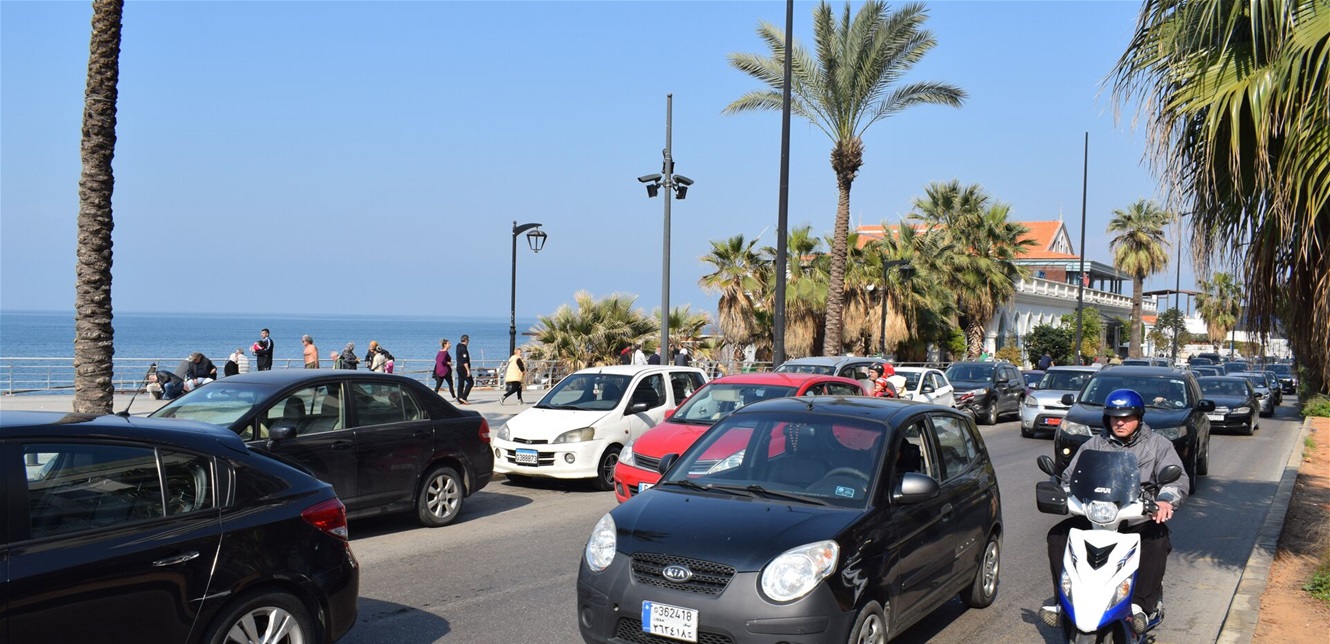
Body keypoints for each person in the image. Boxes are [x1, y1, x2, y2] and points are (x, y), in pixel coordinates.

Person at [1044, 388, 1187, 630]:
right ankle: (1063, 603)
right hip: (1095, 517)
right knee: (1058, 536)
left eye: (1126, 417)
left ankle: (1141, 607)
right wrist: (1061, 492)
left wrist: (1165, 500)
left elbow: (1177, 479)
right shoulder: (1093, 445)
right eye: (1114, 417)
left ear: (1139, 417)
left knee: (1158, 539)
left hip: (1137, 518)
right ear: (1107, 418)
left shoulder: (1158, 445)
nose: (1119, 422)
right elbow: (1069, 478)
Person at [456, 334, 473, 404]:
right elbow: (465, 361)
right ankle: (464, 397)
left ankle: (459, 398)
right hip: (463, 368)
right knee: (470, 382)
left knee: (461, 383)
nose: (468, 341)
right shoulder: (463, 349)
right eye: (468, 340)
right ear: (466, 340)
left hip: (459, 367)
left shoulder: (458, 347)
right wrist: (468, 370)